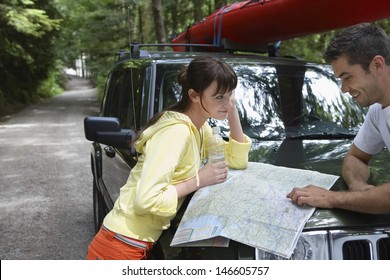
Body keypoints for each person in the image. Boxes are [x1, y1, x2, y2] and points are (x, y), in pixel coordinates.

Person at [86, 56, 252, 259]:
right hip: (119, 246)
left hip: (135, 244)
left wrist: (232, 111)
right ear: (194, 96)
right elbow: (145, 201)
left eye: (230, 95)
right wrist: (198, 180)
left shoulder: (200, 128)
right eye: (219, 97)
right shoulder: (176, 133)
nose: (227, 103)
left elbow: (237, 161)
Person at [287, 22, 390, 214]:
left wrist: (334, 198)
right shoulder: (378, 111)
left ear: (377, 64)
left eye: (347, 77)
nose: (344, 89)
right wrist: (359, 187)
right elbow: (355, 157)